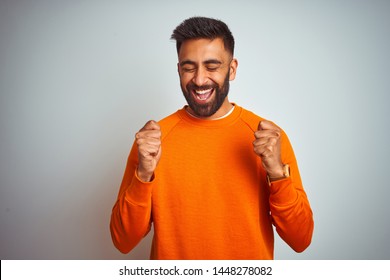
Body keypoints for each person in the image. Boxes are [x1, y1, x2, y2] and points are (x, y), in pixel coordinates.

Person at [110, 16, 314, 260]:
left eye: (212, 66)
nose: (199, 79)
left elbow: (300, 240)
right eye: (188, 67)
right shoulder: (152, 142)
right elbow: (123, 241)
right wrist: (143, 176)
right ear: (178, 70)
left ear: (232, 69)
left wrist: (277, 174)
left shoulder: (268, 139)